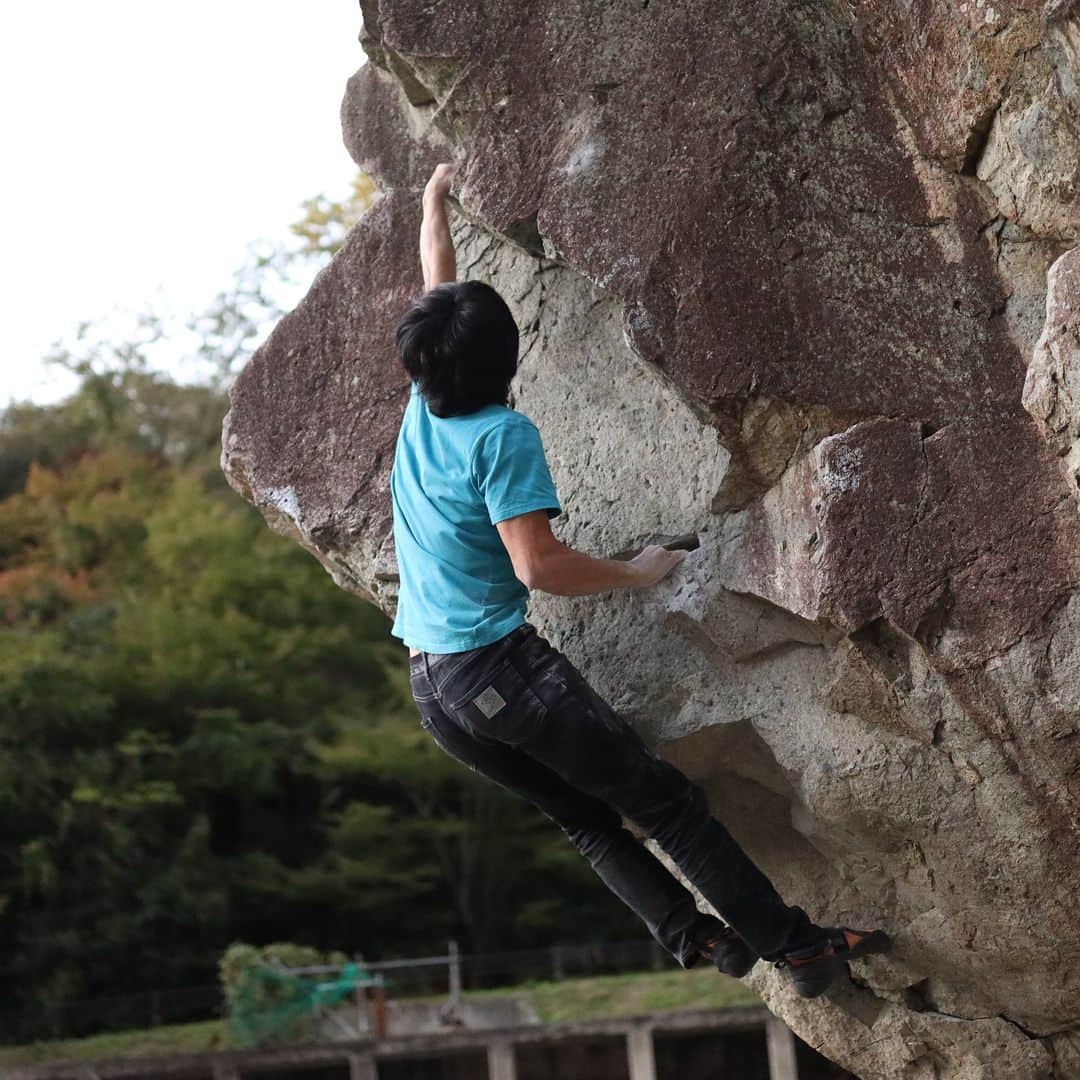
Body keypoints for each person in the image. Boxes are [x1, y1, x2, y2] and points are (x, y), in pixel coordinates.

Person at [389, 161, 891, 999]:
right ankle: (796, 950)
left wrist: (435, 203)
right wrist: (636, 570)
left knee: (586, 821)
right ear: (502, 361)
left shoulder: (423, 398)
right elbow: (537, 565)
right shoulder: (499, 435)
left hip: (433, 687)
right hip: (501, 674)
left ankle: (694, 936)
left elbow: (433, 287)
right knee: (667, 807)